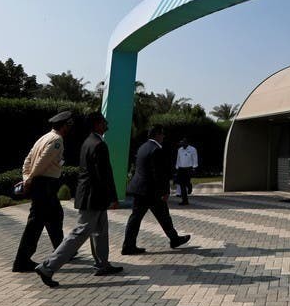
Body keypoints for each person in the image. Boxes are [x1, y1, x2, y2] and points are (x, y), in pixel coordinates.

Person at [34, 112, 123, 288]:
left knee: (100, 231)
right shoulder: (98, 145)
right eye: (104, 122)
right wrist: (112, 197)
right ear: (97, 124)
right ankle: (48, 267)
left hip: (91, 196)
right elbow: (103, 175)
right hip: (93, 197)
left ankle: (102, 264)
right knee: (80, 233)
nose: (106, 124)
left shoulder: (88, 142)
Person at [12, 111, 73, 273]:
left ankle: (62, 251)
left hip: (42, 184)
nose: (70, 128)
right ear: (64, 126)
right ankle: (21, 261)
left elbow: (28, 160)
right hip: (44, 184)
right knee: (35, 224)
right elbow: (41, 162)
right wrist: (29, 180)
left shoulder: (43, 138)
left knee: (55, 216)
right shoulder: (57, 140)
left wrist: (26, 177)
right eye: (69, 125)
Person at [121, 125, 190, 255]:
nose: (163, 136)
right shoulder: (156, 150)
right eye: (162, 134)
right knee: (153, 217)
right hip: (150, 192)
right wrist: (165, 192)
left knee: (151, 216)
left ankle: (174, 239)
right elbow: (159, 174)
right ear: (157, 135)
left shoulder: (143, 147)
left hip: (141, 189)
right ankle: (129, 246)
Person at [175, 138, 198, 205]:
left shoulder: (192, 149)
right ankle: (185, 201)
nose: (182, 144)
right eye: (181, 143)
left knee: (186, 183)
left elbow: (195, 158)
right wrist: (177, 167)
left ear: (187, 143)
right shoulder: (179, 150)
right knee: (182, 185)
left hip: (189, 168)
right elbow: (178, 159)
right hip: (181, 169)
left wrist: (194, 167)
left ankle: (189, 185)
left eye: (183, 143)